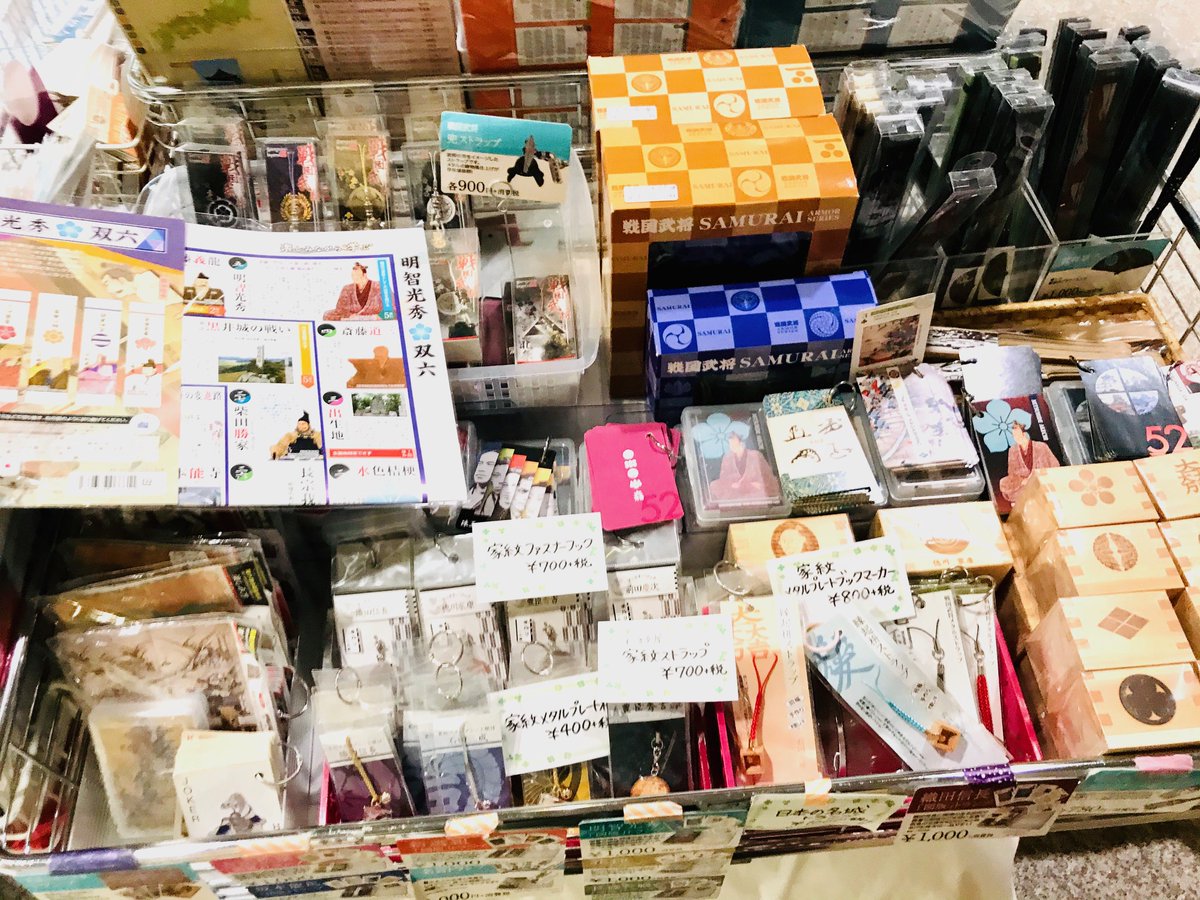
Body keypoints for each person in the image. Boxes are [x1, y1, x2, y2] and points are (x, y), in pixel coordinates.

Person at [708, 431, 779, 503]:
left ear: (742, 442)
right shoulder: (727, 458)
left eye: (734, 442)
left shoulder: (756, 455)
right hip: (735, 491)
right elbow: (723, 479)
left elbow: (768, 478)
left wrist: (752, 485)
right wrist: (734, 484)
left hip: (754, 492)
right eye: (730, 442)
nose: (731, 445)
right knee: (714, 485)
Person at [998, 420, 1060, 503]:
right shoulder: (1013, 450)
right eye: (1014, 435)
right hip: (1022, 483)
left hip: (1041, 479)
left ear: (1024, 433)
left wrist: (1036, 476)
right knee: (1004, 483)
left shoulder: (1041, 446)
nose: (1016, 437)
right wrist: (1022, 481)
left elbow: (1054, 465)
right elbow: (1011, 472)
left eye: (1018, 434)